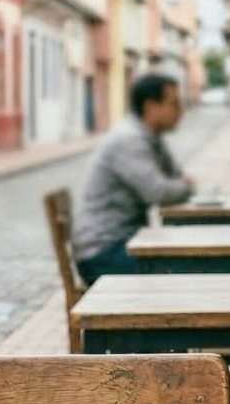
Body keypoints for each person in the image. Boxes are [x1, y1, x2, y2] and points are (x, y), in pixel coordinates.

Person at [71, 73, 194, 283]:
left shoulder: (150, 137)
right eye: (174, 104)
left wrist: (181, 184)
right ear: (151, 107)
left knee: (187, 267)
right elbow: (159, 192)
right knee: (185, 273)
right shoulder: (129, 140)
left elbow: (174, 177)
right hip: (103, 254)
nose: (181, 111)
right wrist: (186, 186)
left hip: (124, 244)